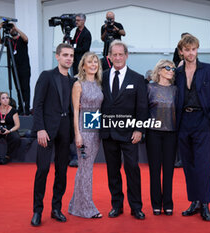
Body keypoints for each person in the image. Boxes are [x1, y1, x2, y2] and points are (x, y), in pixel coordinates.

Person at [175, 34, 210, 222]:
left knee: (202, 165)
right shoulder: (177, 73)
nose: (191, 53)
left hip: (202, 121)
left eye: (193, 49)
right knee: (188, 165)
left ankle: (205, 204)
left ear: (197, 49)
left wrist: (209, 118)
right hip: (183, 121)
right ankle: (194, 201)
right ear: (181, 52)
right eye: (187, 50)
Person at [100, 40, 147, 220]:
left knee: (132, 169)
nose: (118, 58)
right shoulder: (102, 76)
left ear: (126, 56)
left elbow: (142, 107)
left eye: (121, 54)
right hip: (108, 133)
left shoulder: (137, 78)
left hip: (130, 134)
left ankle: (136, 207)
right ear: (110, 57)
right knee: (113, 171)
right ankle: (117, 205)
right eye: (115, 55)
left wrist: (139, 129)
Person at [30, 43, 75, 226]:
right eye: (65, 55)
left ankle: (56, 208)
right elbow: (37, 104)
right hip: (46, 130)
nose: (69, 58)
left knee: (62, 171)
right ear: (57, 56)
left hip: (66, 129)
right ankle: (37, 211)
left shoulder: (74, 81)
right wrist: (39, 128)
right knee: (42, 170)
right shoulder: (47, 76)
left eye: (71, 55)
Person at [68, 52, 103, 219]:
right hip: (84, 129)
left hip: (96, 129)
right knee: (86, 169)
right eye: (90, 62)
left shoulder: (99, 84)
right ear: (83, 66)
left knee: (85, 169)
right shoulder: (78, 84)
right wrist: (77, 134)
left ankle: (76, 205)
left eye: (95, 62)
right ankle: (86, 207)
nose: (93, 64)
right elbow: (75, 111)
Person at [146, 60, 177, 216]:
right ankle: (156, 204)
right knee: (155, 170)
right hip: (153, 133)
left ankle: (168, 203)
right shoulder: (149, 88)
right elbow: (143, 110)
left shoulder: (176, 90)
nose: (171, 70)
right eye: (168, 68)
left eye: (173, 68)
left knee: (169, 171)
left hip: (171, 133)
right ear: (159, 70)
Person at [0, 22, 31, 115]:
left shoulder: (21, 39)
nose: (11, 30)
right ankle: (21, 107)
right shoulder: (9, 41)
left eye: (12, 28)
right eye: (10, 29)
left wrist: (16, 28)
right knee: (18, 88)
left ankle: (26, 107)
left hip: (24, 67)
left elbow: (26, 38)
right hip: (14, 67)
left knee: (25, 88)